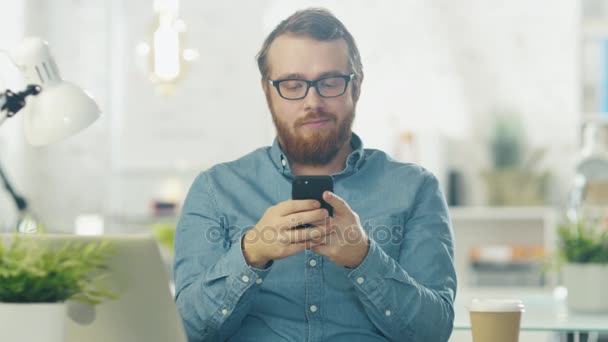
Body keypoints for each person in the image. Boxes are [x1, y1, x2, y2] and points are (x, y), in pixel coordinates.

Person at [174, 8, 456, 342]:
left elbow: (434, 332)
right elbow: (184, 331)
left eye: (330, 82)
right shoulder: (215, 190)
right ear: (268, 91)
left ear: (357, 86)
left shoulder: (416, 189)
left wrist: (364, 258)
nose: (313, 101)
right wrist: (251, 252)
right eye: (293, 85)